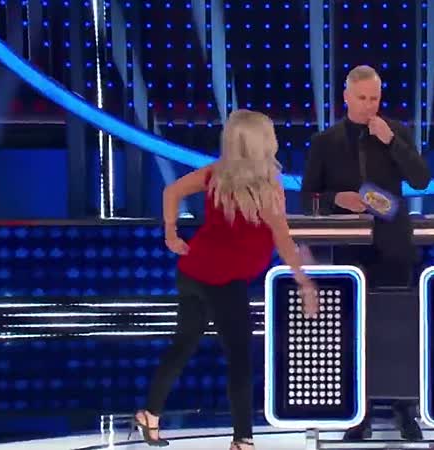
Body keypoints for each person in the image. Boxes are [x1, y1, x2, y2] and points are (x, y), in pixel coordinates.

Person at [131, 109, 319, 450]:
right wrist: (303, 280)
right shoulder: (266, 188)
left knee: (183, 345)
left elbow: (171, 191)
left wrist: (171, 233)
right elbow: (282, 238)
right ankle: (242, 439)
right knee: (239, 358)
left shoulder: (215, 174)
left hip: (193, 272)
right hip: (223, 279)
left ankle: (150, 414)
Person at [300, 65, 431, 441]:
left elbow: (421, 179)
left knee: (400, 328)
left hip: (394, 246)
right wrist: (335, 199)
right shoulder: (325, 142)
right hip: (349, 252)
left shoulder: (395, 132)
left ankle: (404, 410)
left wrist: (392, 142)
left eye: (375, 98)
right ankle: (360, 414)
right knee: (354, 331)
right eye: (362, 98)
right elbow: (308, 197)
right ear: (346, 97)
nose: (369, 105)